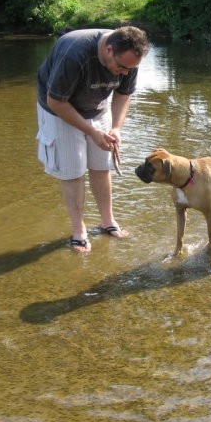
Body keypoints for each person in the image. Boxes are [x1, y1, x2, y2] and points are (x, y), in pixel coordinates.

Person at [36, 26, 149, 253]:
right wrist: (91, 132)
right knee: (73, 170)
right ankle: (79, 230)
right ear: (109, 50)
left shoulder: (129, 60)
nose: (125, 73)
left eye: (131, 68)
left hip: (97, 107)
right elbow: (56, 101)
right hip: (58, 109)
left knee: (101, 164)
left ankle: (108, 221)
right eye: (122, 67)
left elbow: (123, 94)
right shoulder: (75, 54)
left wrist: (116, 128)